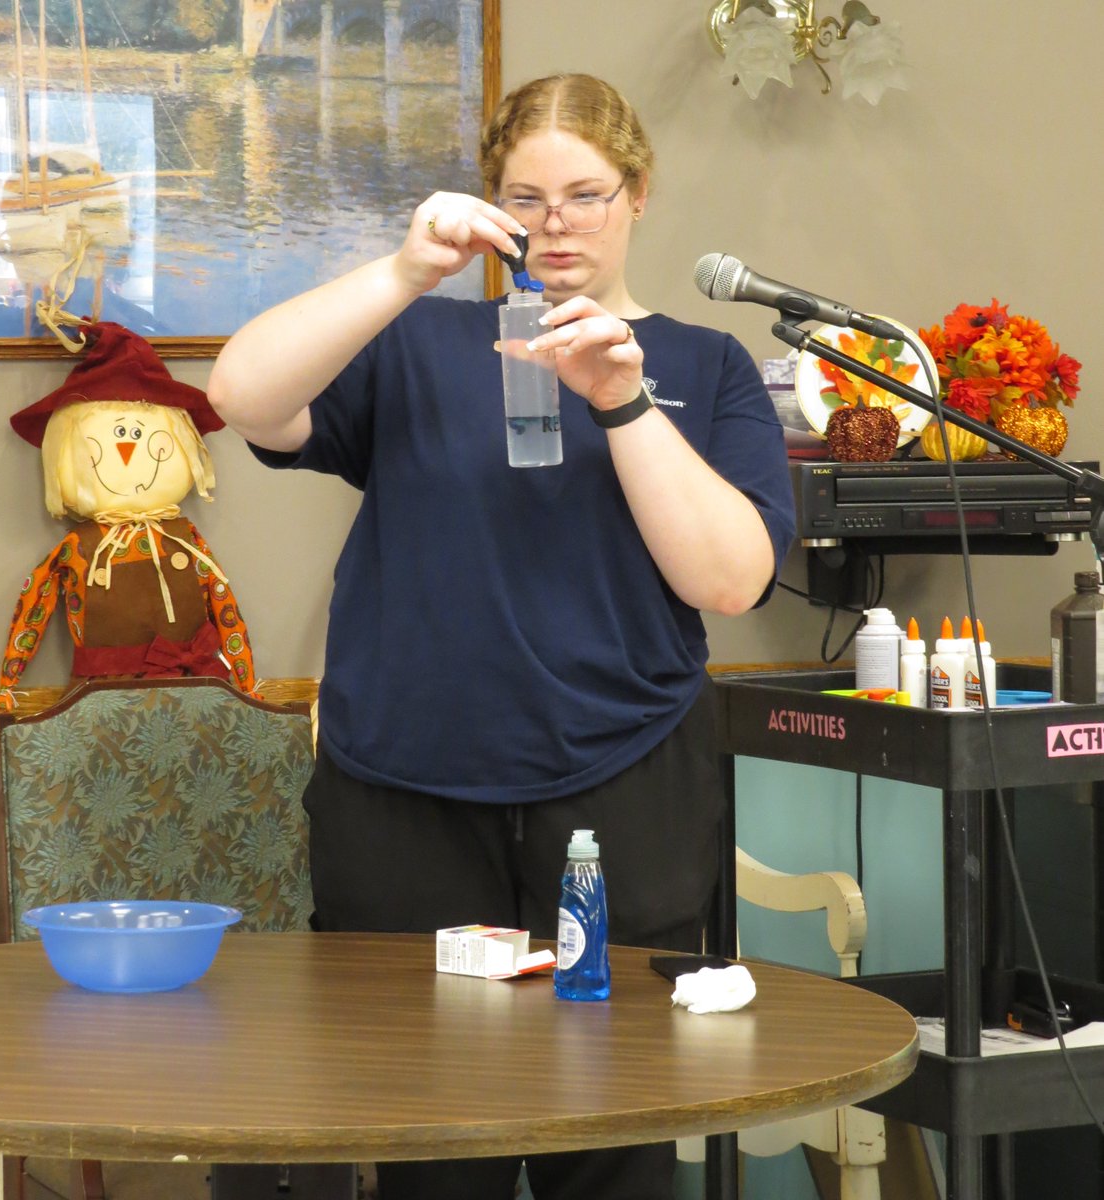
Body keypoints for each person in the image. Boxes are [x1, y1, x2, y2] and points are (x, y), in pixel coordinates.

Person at [208, 73, 795, 1200]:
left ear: (636, 196)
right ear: (490, 203)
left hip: (624, 783)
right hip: (406, 792)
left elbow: (728, 580)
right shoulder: (417, 343)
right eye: (526, 195)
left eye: (585, 192)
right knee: (433, 1141)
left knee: (614, 1137)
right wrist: (402, 272)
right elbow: (243, 397)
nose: (556, 221)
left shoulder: (706, 368)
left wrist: (621, 399)